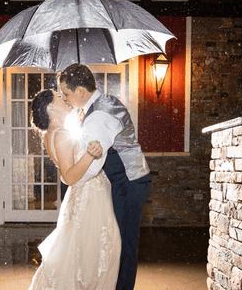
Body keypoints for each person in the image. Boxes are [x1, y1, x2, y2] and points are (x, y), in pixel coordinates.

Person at [58, 63, 152, 290]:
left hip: (129, 182)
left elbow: (92, 164)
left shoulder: (100, 114)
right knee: (115, 242)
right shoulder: (98, 106)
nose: (64, 98)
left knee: (124, 245)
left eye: (66, 93)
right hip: (122, 181)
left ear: (81, 91)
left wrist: (68, 181)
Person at [28, 89, 121, 290]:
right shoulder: (60, 134)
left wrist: (78, 125)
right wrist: (89, 154)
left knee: (85, 254)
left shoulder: (54, 133)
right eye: (59, 97)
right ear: (50, 108)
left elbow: (69, 157)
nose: (64, 98)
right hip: (88, 197)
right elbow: (69, 177)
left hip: (85, 196)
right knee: (100, 253)